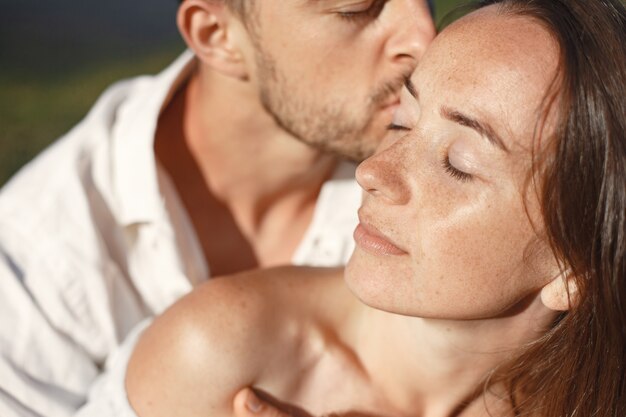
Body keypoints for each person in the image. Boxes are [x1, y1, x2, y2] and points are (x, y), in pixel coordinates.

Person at [80, 0, 625, 416]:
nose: (371, 172)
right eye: (402, 122)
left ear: (572, 264)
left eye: (458, 162)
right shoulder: (223, 355)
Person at [0, 1, 436, 416]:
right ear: (216, 35)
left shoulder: (444, 191)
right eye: (357, 8)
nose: (424, 38)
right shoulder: (31, 267)